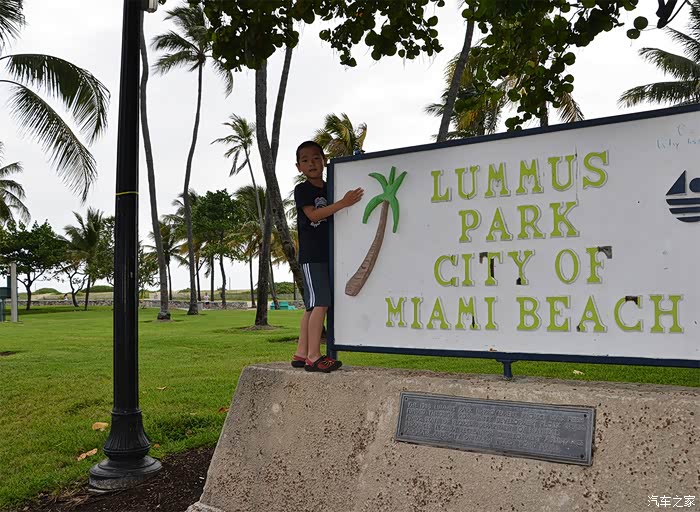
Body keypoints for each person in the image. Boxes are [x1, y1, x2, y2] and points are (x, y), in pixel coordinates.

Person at [291, 140, 363, 373]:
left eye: (316, 158)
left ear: (324, 160)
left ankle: (301, 353)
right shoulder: (303, 190)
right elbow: (313, 215)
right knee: (321, 303)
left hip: (328, 254)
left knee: (312, 306)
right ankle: (314, 356)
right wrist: (343, 203)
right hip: (312, 256)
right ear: (298, 167)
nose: (312, 163)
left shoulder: (330, 186)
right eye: (305, 160)